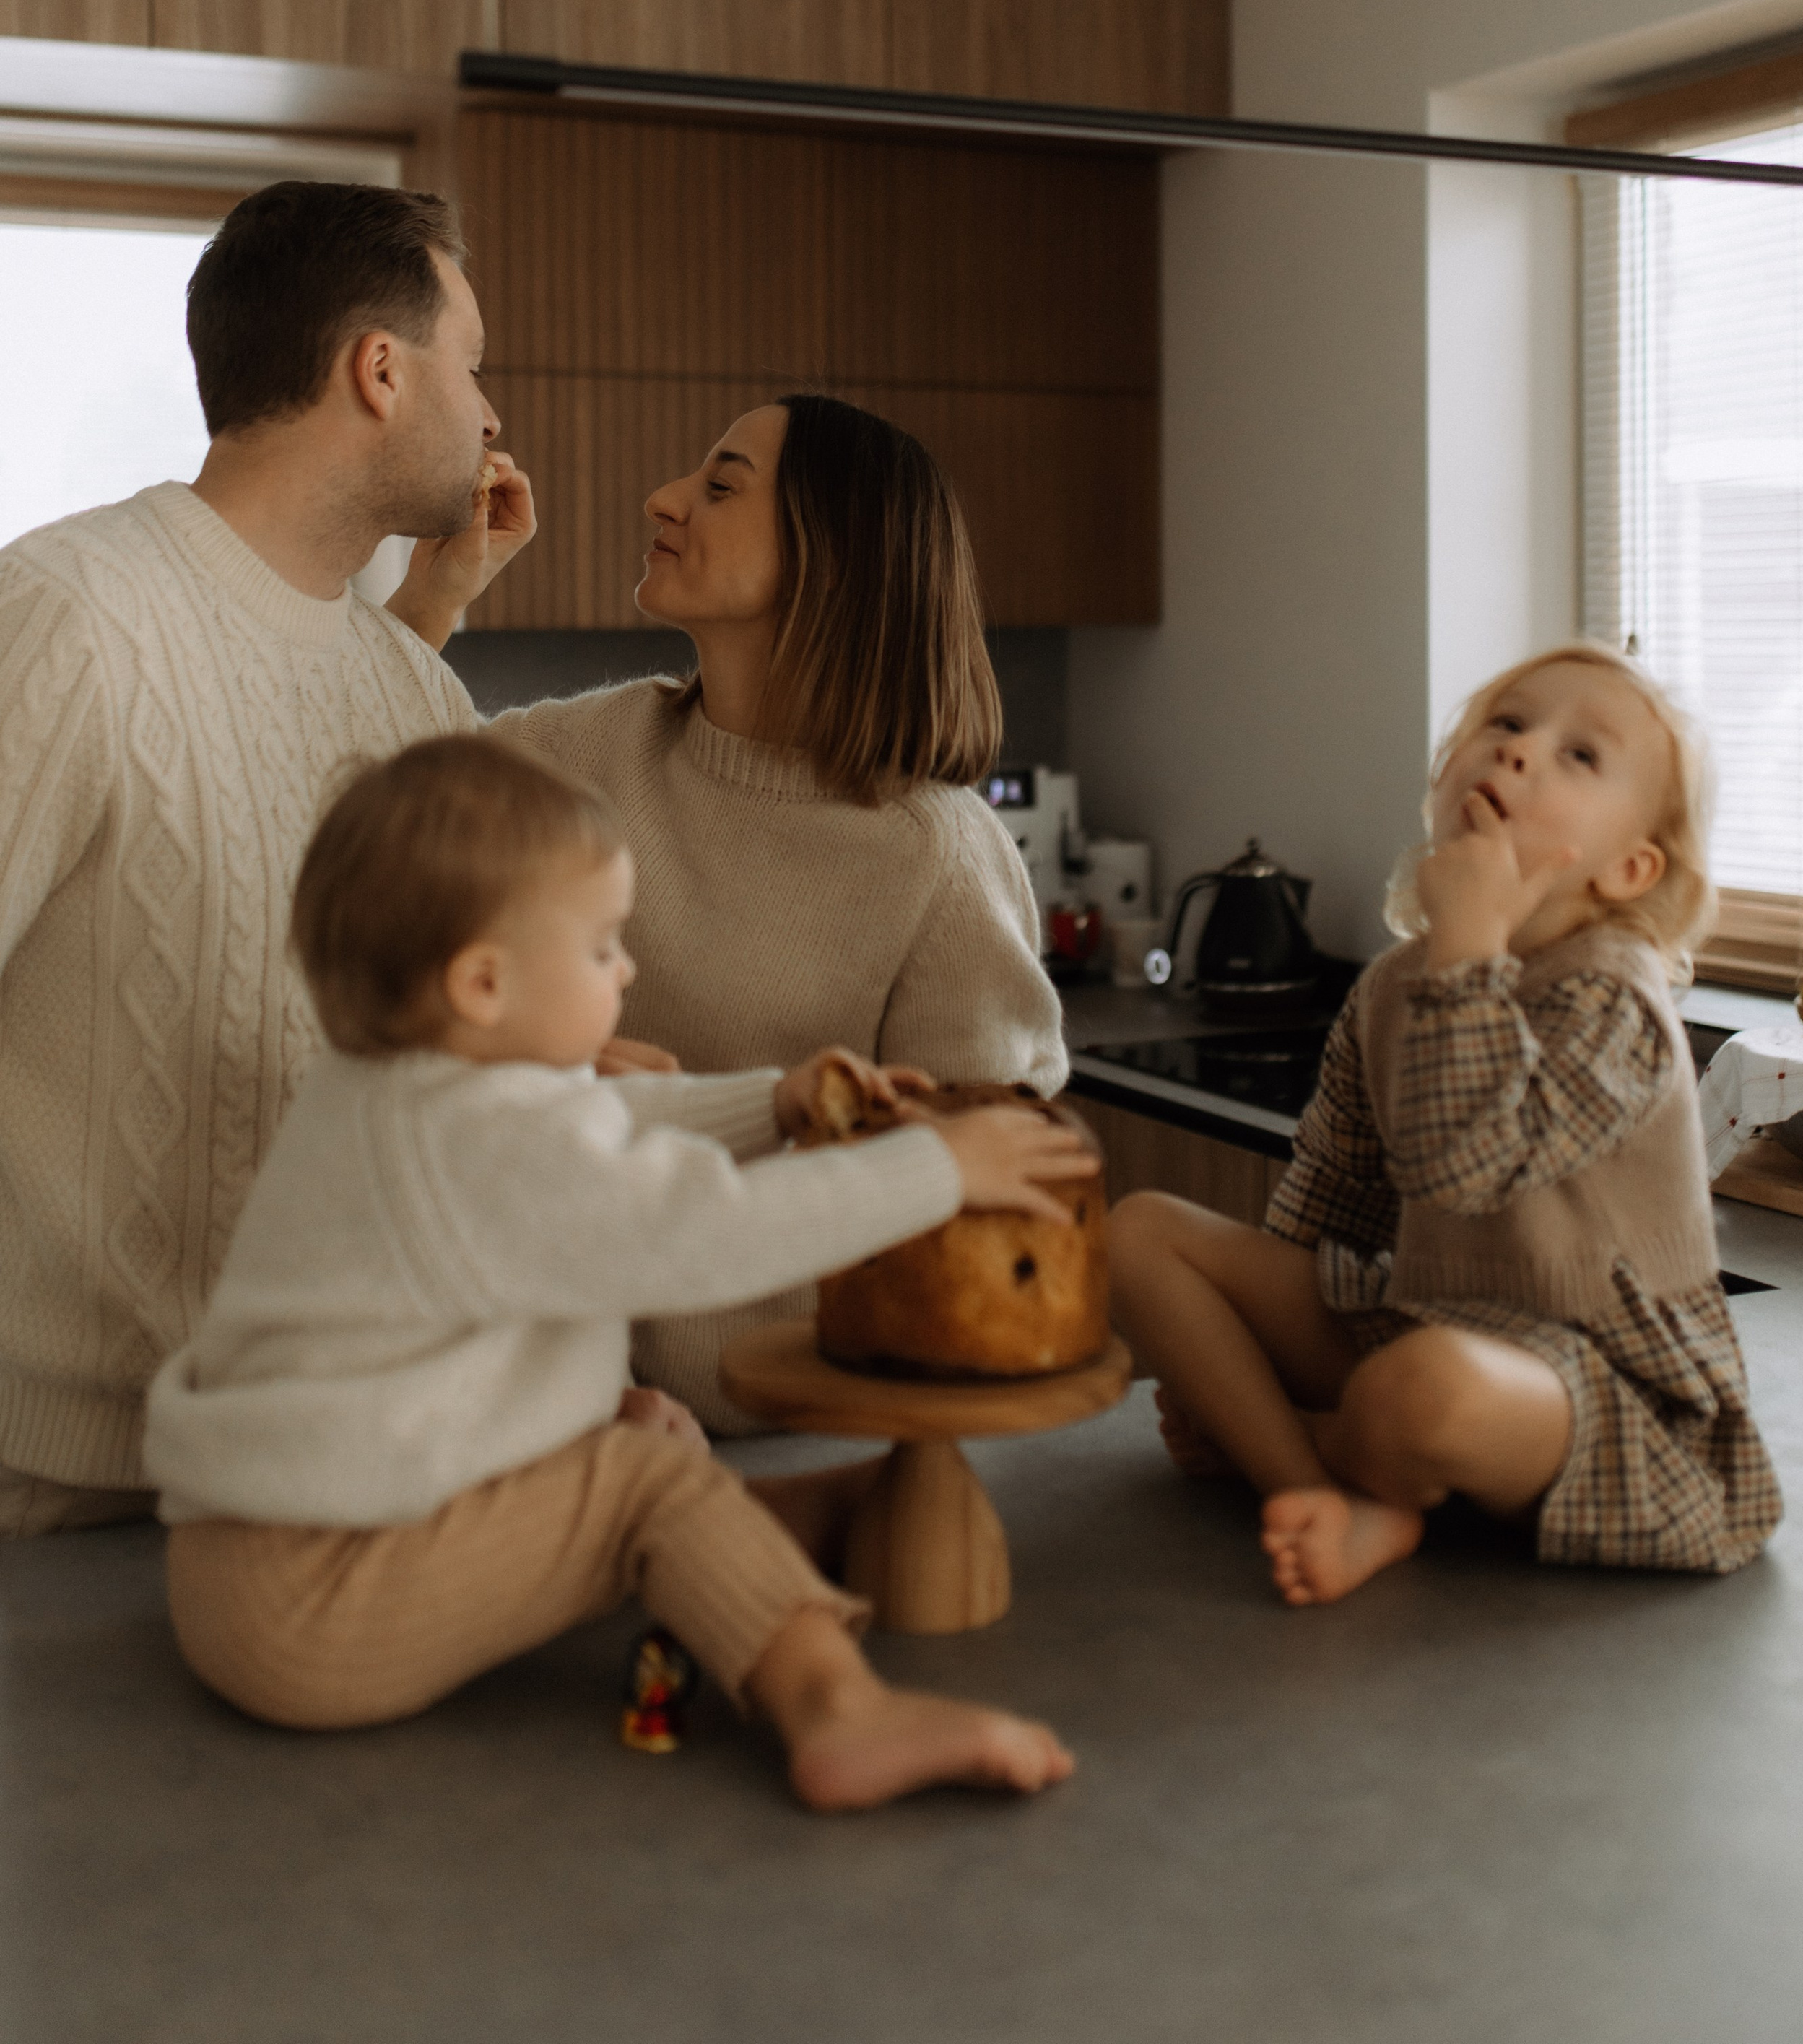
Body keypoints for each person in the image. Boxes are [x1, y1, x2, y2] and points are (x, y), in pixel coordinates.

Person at [145, 734, 1095, 1810]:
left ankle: (776, 1540)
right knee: (640, 1478)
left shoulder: (400, 1091)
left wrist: (772, 1101)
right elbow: (701, 1232)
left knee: (636, 1432)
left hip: (256, 1565)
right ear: (484, 981)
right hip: (317, 1604)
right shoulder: (478, 1144)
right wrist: (936, 1167)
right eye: (602, 948)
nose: (627, 969)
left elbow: (595, 1122)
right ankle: (837, 1708)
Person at [0, 181, 534, 1538]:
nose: (489, 417)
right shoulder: (65, 619)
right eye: (470, 366)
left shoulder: (411, 693)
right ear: (379, 369)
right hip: (68, 1496)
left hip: (338, 1474)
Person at [394, 393, 1065, 1430]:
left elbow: (986, 1189)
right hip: (563, 1411)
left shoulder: (938, 855)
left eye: (719, 487)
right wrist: (435, 603)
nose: (662, 499)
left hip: (809, 1427)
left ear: (831, 556)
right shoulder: (594, 750)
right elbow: (361, 812)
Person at [1108, 643, 1782, 1604]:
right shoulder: (1393, 985)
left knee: (1417, 1391)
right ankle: (1319, 1494)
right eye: (1507, 724)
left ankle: (1315, 1447)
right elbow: (1331, 1195)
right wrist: (1266, 1346)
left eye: (1579, 756)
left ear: (1630, 868)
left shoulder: (1615, 1001)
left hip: (1597, 1385)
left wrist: (1468, 940)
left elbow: (1470, 1165)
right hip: (1430, 1317)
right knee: (1141, 1232)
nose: (1518, 752)